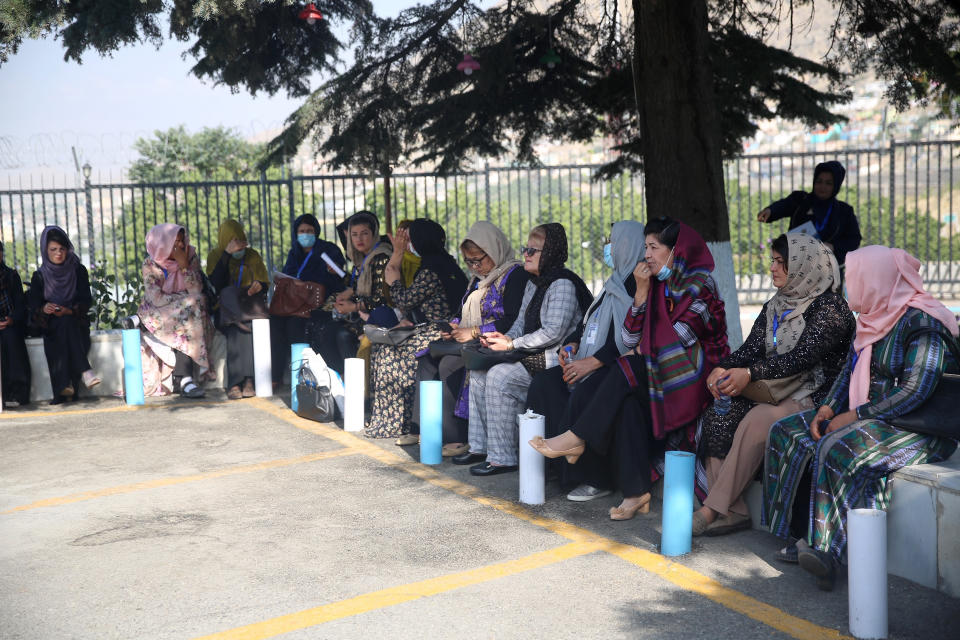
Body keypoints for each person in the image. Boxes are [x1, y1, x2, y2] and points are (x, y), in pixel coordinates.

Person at [762, 245, 959, 591]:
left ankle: (828, 554)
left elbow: (916, 391)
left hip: (918, 428)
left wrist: (854, 416)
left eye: (855, 279)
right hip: (872, 416)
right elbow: (849, 373)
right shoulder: (872, 316)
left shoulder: (923, 324)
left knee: (839, 449)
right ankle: (797, 534)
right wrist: (828, 409)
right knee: (787, 432)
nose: (849, 287)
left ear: (877, 279)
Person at [529, 218, 729, 519]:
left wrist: (642, 341)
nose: (646, 254)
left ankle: (577, 437)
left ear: (675, 250)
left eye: (653, 247)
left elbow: (676, 341)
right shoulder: (654, 285)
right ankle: (636, 493)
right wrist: (641, 294)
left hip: (692, 377)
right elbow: (629, 337)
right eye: (645, 247)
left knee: (627, 366)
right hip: (659, 373)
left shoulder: (698, 284)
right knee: (624, 400)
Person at [691, 234, 855, 536]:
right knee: (720, 412)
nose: (773, 268)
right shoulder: (776, 305)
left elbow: (799, 359)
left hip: (816, 396)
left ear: (804, 265)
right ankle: (735, 511)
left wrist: (749, 374)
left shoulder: (831, 308)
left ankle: (711, 509)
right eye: (774, 260)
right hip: (773, 390)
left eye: (782, 262)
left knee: (758, 420)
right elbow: (750, 349)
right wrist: (723, 368)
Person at [457, 223, 593, 476]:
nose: (526, 254)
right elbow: (520, 323)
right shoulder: (535, 282)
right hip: (533, 352)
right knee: (479, 374)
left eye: (534, 250)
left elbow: (553, 332)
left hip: (557, 357)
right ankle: (482, 447)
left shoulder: (562, 283)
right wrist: (503, 338)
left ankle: (503, 457)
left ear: (551, 252)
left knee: (499, 376)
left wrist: (511, 344)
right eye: (526, 249)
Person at [525, 220, 645, 501]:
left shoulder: (636, 284)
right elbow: (590, 319)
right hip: (587, 359)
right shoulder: (615, 280)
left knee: (586, 392)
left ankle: (594, 477)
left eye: (612, 242)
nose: (608, 248)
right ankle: (559, 470)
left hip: (615, 366)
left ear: (626, 245)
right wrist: (571, 345)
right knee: (545, 383)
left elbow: (628, 338)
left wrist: (590, 364)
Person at [411, 221, 529, 454]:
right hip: (471, 338)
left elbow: (514, 320)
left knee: (450, 363)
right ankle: (424, 429)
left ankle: (457, 435)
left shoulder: (515, 275)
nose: (475, 266)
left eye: (480, 259)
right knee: (427, 358)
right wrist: (454, 327)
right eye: (470, 261)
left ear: (495, 250)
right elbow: (461, 312)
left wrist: (474, 332)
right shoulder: (477, 279)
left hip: (497, 340)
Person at [365, 218, 468, 439]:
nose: (408, 244)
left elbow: (403, 300)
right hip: (433, 330)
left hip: (439, 331)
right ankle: (406, 422)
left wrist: (394, 277)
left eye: (411, 240)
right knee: (385, 346)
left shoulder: (431, 270)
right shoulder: (443, 263)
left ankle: (401, 423)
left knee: (390, 352)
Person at [137, 223, 214, 398]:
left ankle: (184, 378)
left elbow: (196, 291)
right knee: (189, 307)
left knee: (192, 307)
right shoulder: (151, 264)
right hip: (158, 312)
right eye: (174, 242)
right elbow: (156, 298)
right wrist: (182, 300)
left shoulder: (190, 257)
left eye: (181, 241)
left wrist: (184, 266)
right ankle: (185, 379)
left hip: (183, 313)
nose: (180, 246)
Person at [27, 226, 101, 404]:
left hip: (75, 322)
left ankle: (64, 385)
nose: (58, 254)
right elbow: (33, 305)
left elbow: (85, 299)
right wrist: (44, 309)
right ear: (45, 250)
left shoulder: (77, 270)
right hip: (50, 325)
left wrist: (70, 310)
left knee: (66, 322)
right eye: (53, 249)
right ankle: (85, 372)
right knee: (62, 325)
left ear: (68, 249)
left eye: (62, 249)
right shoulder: (40, 276)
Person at [270, 213, 346, 385]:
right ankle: (275, 376)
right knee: (274, 322)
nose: (305, 234)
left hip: (317, 302)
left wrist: (331, 273)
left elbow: (341, 279)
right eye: (302, 231)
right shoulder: (294, 252)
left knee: (295, 324)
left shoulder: (329, 250)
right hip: (294, 303)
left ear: (316, 232)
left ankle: (301, 375)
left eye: (309, 231)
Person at [314, 211, 392, 375]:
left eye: (364, 234)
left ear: (374, 233)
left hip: (379, 317)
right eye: (354, 235)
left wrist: (354, 306)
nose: (359, 239)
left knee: (341, 334)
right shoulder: (364, 258)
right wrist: (346, 294)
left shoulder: (381, 257)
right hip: (362, 314)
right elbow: (357, 287)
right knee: (324, 327)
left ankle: (356, 385)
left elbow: (383, 299)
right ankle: (341, 379)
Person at [205, 219, 270, 400]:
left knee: (249, 325)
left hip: (249, 308)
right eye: (233, 242)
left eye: (240, 241)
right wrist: (227, 254)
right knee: (235, 327)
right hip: (225, 310)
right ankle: (236, 382)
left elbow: (265, 283)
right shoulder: (215, 256)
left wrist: (260, 286)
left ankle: (248, 381)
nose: (238, 247)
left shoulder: (252, 255)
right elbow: (216, 284)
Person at [757, 160, 862, 265]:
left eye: (828, 183)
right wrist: (770, 210)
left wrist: (832, 246)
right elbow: (784, 205)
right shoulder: (801, 200)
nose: (822, 187)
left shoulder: (844, 211)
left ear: (836, 186)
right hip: (798, 268)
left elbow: (854, 239)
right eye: (819, 181)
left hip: (828, 271)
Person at [0, 241, 32, 406]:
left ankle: (18, 393)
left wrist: (11, 319)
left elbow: (20, 305)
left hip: (11, 323)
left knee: (11, 338)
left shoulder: (11, 276)